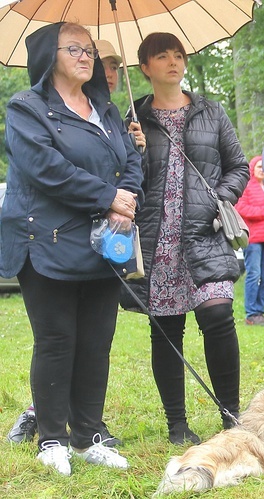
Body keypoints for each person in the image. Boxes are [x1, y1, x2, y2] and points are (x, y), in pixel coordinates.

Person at [1, 22, 142, 475]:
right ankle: (50, 440)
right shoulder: (27, 108)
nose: (87, 57)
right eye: (75, 49)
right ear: (49, 56)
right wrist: (108, 197)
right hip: (45, 240)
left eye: (91, 50)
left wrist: (126, 201)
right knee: (58, 340)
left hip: (103, 241)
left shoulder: (108, 110)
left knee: (97, 341)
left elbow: (131, 163)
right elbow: (46, 167)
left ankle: (86, 437)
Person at [121, 32, 249, 444]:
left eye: (179, 55)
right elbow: (121, 179)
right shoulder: (132, 117)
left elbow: (239, 167)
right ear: (145, 67)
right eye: (163, 56)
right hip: (157, 239)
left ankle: (231, 414)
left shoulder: (211, 111)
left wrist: (219, 200)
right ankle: (177, 425)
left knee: (217, 315)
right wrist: (134, 149)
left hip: (204, 232)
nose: (174, 62)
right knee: (166, 329)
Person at [236, 155, 264, 326]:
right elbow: (241, 208)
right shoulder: (246, 186)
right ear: (252, 168)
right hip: (252, 238)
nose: (262, 170)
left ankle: (259, 311)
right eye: (259, 167)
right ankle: (251, 313)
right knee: (254, 274)